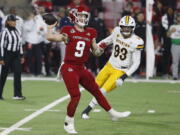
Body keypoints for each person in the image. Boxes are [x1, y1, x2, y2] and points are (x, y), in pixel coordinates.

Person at [45, 6, 131, 134]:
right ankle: (68, 123)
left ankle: (112, 113)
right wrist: (50, 27)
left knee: (97, 91)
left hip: (81, 68)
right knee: (76, 95)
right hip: (69, 67)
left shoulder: (91, 32)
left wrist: (99, 50)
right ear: (75, 16)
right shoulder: (68, 30)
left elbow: (95, 51)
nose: (83, 18)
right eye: (80, 15)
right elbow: (51, 38)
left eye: (85, 16)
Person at [81, 16, 144, 119]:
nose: (126, 30)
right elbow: (108, 40)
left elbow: (136, 62)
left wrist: (124, 76)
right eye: (124, 27)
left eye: (129, 27)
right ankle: (112, 115)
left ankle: (86, 111)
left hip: (120, 70)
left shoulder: (137, 41)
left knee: (102, 92)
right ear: (120, 27)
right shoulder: (116, 31)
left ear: (133, 28)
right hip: (109, 65)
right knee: (94, 87)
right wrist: (97, 46)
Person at [0, 14, 25, 100]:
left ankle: (17, 94)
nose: (15, 22)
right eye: (13, 21)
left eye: (15, 21)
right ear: (8, 22)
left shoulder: (17, 31)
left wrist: (21, 55)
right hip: (7, 54)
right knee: (3, 75)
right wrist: (1, 58)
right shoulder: (4, 31)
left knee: (18, 73)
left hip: (16, 55)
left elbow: (20, 44)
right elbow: (1, 45)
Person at [167, 12, 180, 80]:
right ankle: (175, 76)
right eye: (178, 17)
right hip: (175, 45)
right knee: (175, 61)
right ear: (176, 18)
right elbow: (168, 35)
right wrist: (171, 31)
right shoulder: (172, 26)